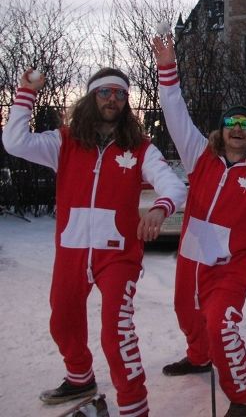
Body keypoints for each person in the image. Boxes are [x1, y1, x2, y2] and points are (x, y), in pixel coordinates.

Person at [2, 67, 187, 417]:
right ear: (91, 97)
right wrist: (25, 94)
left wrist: (160, 209)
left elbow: (174, 186)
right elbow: (14, 142)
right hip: (72, 250)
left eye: (119, 94)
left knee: (116, 333)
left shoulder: (140, 148)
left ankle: (134, 407)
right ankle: (80, 377)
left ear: (126, 102)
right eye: (105, 93)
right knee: (62, 322)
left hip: (118, 254)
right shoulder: (65, 142)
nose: (113, 99)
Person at [153, 34, 246, 417]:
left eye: (245, 124)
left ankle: (243, 398)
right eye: (231, 123)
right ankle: (198, 356)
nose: (238, 129)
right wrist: (167, 69)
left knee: (221, 323)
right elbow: (176, 114)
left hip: (232, 264)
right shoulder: (199, 157)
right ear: (221, 130)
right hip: (192, 257)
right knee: (187, 316)